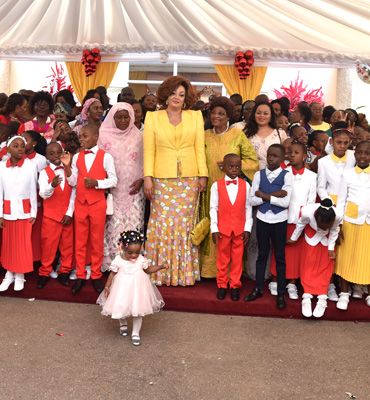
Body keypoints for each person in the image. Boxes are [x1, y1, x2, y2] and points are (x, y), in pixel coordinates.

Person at [143, 75, 208, 286]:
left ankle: (183, 273)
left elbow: (199, 148)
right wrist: (148, 178)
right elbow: (149, 150)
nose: (177, 98)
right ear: (165, 95)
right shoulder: (153, 117)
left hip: (189, 179)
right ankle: (160, 273)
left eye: (181, 94)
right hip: (161, 179)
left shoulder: (195, 116)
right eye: (173, 93)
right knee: (161, 224)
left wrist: (203, 175)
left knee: (184, 226)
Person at [200, 96, 258, 278]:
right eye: (214, 113)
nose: (216, 116)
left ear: (229, 117)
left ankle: (232, 274)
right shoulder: (204, 135)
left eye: (221, 113)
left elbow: (252, 161)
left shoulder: (237, 136)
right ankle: (209, 270)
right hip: (208, 188)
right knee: (211, 225)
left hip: (232, 191)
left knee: (231, 230)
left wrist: (232, 166)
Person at [61, 124, 118, 294]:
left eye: (85, 136)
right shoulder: (77, 157)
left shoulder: (106, 157)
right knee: (79, 241)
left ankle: (95, 275)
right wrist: (66, 167)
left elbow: (114, 180)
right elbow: (73, 183)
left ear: (95, 137)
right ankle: (80, 275)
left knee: (96, 241)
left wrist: (98, 183)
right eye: (80, 137)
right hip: (80, 204)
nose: (81, 139)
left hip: (97, 204)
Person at [97, 230, 167, 346]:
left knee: (138, 310)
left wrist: (160, 267)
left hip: (138, 289)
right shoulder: (118, 260)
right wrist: (107, 286)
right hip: (122, 288)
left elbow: (148, 269)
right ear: (123, 248)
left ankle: (135, 333)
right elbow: (112, 274)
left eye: (137, 252)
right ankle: (123, 323)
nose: (134, 255)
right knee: (120, 306)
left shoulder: (141, 260)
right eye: (130, 252)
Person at [244, 144, 292, 309]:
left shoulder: (287, 176)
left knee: (279, 256)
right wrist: (274, 195)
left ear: (282, 158)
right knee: (262, 255)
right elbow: (252, 200)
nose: (271, 159)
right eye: (269, 155)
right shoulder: (259, 174)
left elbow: (285, 202)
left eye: (275, 156)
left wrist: (263, 195)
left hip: (280, 220)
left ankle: (280, 292)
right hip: (263, 219)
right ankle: (258, 288)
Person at [98, 103, 145, 271]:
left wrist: (141, 180)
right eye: (119, 117)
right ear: (112, 117)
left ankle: (133, 262)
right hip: (112, 190)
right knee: (112, 226)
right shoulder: (103, 135)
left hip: (134, 189)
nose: (123, 120)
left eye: (127, 117)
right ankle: (112, 263)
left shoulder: (138, 136)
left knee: (133, 224)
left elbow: (145, 160)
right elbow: (98, 162)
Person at [270, 141, 316, 299]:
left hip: (300, 221)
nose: (291, 155)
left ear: (304, 156)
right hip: (282, 219)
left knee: (296, 255)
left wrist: (301, 225)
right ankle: (275, 280)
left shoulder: (312, 176)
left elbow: (310, 203)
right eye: (290, 152)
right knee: (279, 250)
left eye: (296, 152)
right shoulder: (282, 172)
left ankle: (292, 283)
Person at [317, 126, 355, 302]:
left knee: (345, 245)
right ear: (332, 142)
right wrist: (328, 202)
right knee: (329, 245)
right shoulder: (323, 162)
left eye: (346, 143)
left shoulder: (354, 157)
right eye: (339, 142)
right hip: (331, 205)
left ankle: (346, 281)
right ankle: (329, 283)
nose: (342, 146)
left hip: (349, 204)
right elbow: (321, 186)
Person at [210, 154, 252, 301]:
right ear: (224, 167)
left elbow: (248, 208)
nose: (234, 169)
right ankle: (222, 284)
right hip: (223, 229)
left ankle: (235, 285)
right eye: (231, 166)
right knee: (222, 258)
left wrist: (248, 228)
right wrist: (214, 228)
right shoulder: (216, 185)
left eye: (237, 167)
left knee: (237, 258)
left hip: (240, 229)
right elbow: (213, 208)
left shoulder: (246, 185)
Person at [289, 199, 341, 318]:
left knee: (325, 266)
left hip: (327, 241)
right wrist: (293, 238)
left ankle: (322, 296)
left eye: (326, 226)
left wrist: (331, 248)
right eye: (322, 226)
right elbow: (300, 224)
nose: (323, 228)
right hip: (310, 238)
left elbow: (334, 230)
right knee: (308, 265)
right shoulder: (307, 212)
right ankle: (307, 295)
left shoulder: (338, 216)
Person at [335, 140, 370, 310]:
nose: (363, 156)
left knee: (367, 259)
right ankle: (344, 292)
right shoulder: (347, 174)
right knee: (346, 258)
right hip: (350, 221)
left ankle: (368, 293)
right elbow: (341, 200)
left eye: (367, 153)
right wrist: (339, 225)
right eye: (360, 153)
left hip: (368, 223)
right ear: (354, 154)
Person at [0, 136, 37, 292]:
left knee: (22, 245)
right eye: (16, 146)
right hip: (8, 212)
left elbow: (33, 191)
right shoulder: (1, 167)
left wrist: (33, 212)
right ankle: (9, 275)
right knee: (8, 245)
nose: (20, 149)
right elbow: (0, 192)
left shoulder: (31, 166)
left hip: (24, 212)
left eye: (22, 146)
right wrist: (0, 214)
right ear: (8, 149)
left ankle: (20, 276)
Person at [37, 142, 76, 289]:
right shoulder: (44, 172)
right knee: (48, 246)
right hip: (51, 216)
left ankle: (64, 271)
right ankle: (44, 272)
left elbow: (74, 191)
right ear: (46, 156)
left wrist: (69, 213)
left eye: (58, 152)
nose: (56, 156)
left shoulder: (69, 170)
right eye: (51, 154)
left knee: (67, 246)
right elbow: (43, 194)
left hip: (66, 216)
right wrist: (52, 185)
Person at [21, 130, 48, 263]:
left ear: (34, 143)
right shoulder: (15, 157)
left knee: (36, 234)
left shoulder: (41, 160)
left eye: (26, 139)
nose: (22, 142)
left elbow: (43, 182)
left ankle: (35, 260)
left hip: (35, 200)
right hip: (19, 200)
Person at [245, 101, 287, 170]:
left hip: (276, 175)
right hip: (252, 175)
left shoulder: (280, 133)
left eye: (266, 113)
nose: (262, 115)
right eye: (258, 113)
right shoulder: (246, 133)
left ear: (271, 116)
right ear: (254, 115)